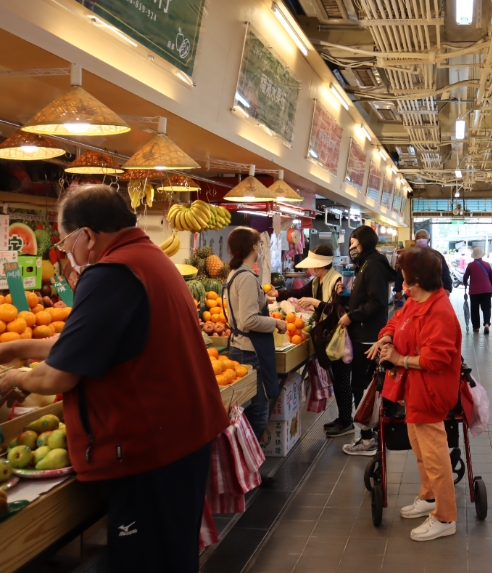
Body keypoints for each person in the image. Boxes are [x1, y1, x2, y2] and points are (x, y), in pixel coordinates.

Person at [0, 185, 229, 573]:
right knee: (171, 556)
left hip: (149, 451)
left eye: (65, 243)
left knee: (147, 562)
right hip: (177, 442)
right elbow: (85, 341)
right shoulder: (148, 259)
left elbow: (60, 376)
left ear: (87, 235)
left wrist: (14, 378)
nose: (65, 254)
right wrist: (14, 349)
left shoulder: (111, 272)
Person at [366, 246, 461, 542]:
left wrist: (399, 359)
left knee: (434, 455)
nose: (402, 281)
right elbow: (397, 321)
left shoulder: (440, 311)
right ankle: (429, 496)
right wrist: (386, 336)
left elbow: (436, 359)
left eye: (405, 275)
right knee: (420, 449)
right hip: (411, 390)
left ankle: (446, 516)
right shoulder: (415, 301)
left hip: (430, 392)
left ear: (416, 279)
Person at [269, 245, 352, 438]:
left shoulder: (338, 281)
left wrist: (316, 303)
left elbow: (337, 309)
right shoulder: (318, 281)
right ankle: (342, 418)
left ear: (321, 265)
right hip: (327, 337)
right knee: (338, 379)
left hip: (339, 338)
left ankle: (347, 421)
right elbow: (299, 293)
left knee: (342, 381)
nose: (310, 269)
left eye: (313, 265)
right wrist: (278, 294)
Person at [224, 227, 288, 442]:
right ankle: (248, 470)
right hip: (250, 351)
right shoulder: (246, 277)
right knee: (258, 414)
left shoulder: (235, 274)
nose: (261, 247)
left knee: (248, 413)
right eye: (259, 243)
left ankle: (247, 469)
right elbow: (249, 320)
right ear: (253, 246)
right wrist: (276, 322)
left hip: (240, 347)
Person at [338, 225, 394, 455]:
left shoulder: (374, 266)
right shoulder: (365, 264)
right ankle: (371, 433)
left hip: (368, 336)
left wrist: (352, 316)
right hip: (364, 334)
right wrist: (344, 292)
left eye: (354, 243)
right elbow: (364, 296)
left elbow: (377, 301)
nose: (351, 247)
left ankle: (368, 438)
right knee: (362, 385)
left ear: (365, 243)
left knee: (363, 386)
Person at [394, 229, 452, 295]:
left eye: (423, 237)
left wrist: (447, 288)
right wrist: (398, 289)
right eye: (418, 237)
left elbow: (444, 272)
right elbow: (400, 273)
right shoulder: (408, 256)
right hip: (413, 293)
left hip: (432, 292)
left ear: (428, 240)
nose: (421, 239)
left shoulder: (436, 255)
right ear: (415, 241)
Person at [463, 246, 492, 334]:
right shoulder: (487, 264)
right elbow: (491, 278)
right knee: (487, 308)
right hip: (486, 290)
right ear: (481, 255)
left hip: (474, 291)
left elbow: (465, 277)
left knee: (474, 309)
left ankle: (476, 327)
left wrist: (465, 284)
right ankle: (487, 324)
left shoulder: (470, 265)